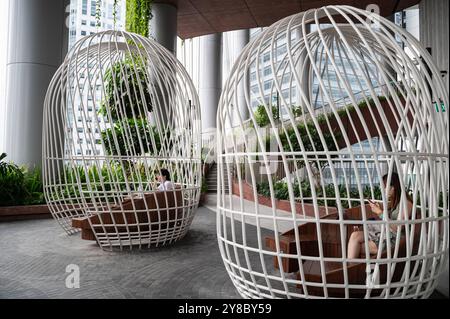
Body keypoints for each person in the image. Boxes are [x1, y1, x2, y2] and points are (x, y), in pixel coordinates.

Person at [347, 172, 414, 260]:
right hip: (387, 234)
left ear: (393, 188)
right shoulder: (394, 201)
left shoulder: (406, 203)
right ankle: (350, 269)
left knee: (357, 247)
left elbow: (398, 228)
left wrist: (380, 213)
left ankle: (351, 270)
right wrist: (380, 209)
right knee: (355, 236)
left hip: (397, 240)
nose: (383, 189)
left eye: (385, 187)